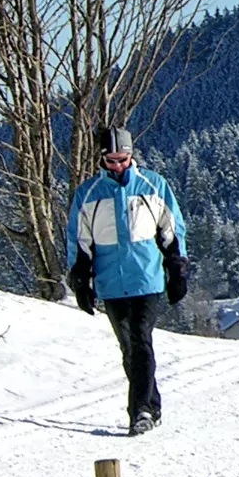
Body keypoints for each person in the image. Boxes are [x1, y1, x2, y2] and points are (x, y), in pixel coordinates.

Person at [66, 125, 189, 436]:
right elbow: (79, 242)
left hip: (147, 280)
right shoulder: (88, 194)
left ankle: (140, 412)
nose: (118, 166)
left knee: (140, 341)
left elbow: (172, 231)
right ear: (102, 160)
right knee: (129, 350)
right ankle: (153, 404)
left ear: (132, 156)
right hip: (111, 283)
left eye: (122, 159)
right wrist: (80, 280)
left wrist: (177, 270)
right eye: (111, 160)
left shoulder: (153, 185)